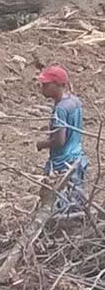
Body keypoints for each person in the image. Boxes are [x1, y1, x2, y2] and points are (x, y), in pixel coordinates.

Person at [37, 64, 88, 212]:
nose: (42, 88)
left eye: (46, 85)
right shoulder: (75, 101)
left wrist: (42, 144)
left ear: (58, 85)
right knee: (74, 201)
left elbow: (60, 141)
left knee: (57, 205)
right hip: (77, 158)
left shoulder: (60, 109)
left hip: (62, 163)